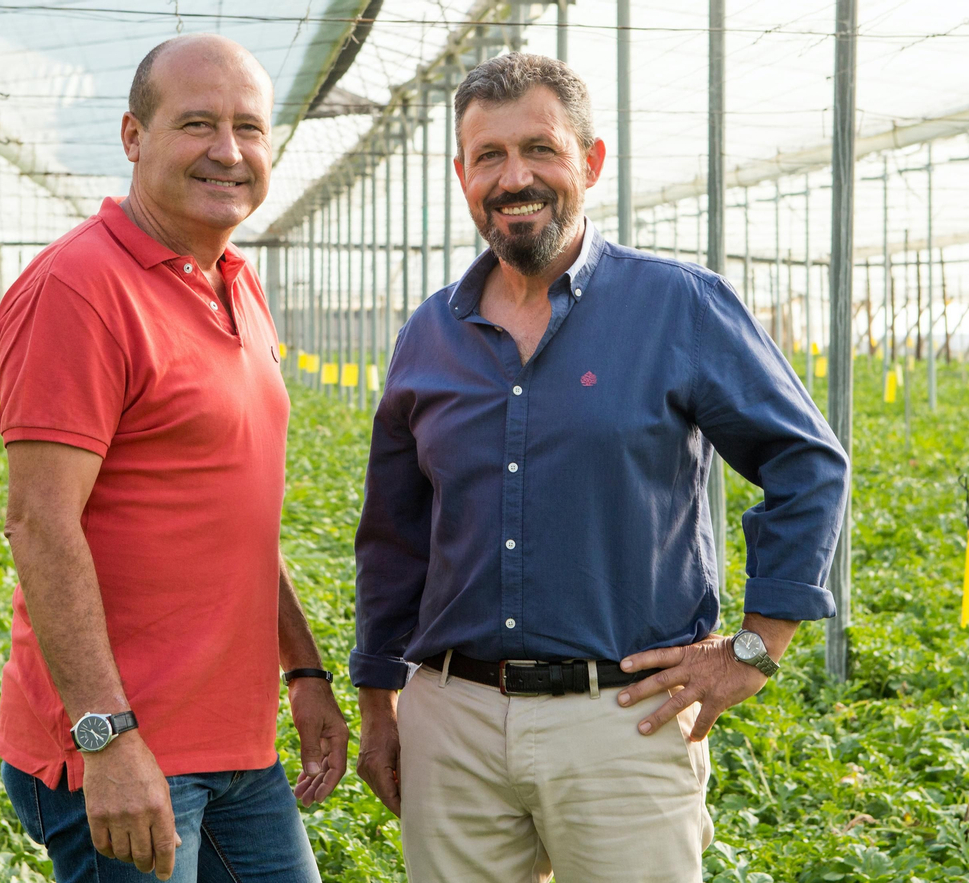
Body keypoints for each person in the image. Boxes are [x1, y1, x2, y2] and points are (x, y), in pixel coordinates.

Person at [350, 53, 850, 882]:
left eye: (540, 149)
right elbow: (393, 535)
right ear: (462, 174)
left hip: (625, 720)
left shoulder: (677, 305)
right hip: (454, 719)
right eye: (489, 157)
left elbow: (806, 461)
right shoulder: (428, 333)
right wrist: (378, 699)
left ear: (590, 160)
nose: (516, 178)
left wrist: (757, 646)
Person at [0, 34, 347, 883]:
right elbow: (39, 522)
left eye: (249, 128)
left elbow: (234, 513)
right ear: (133, 136)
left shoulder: (237, 281)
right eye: (197, 123)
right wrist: (106, 736)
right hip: (126, 749)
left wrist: (302, 667)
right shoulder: (79, 289)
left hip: (236, 745)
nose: (229, 152)